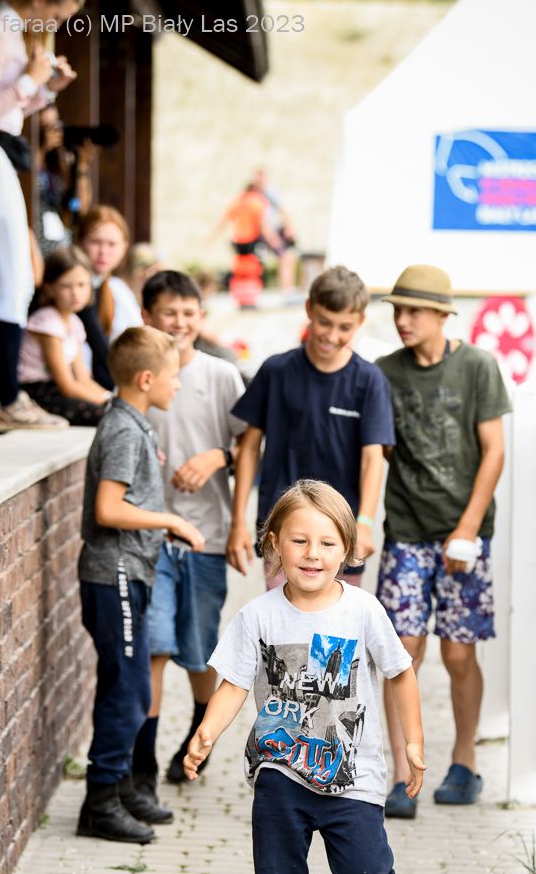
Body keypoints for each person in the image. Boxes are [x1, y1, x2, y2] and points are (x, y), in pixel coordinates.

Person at [183, 480, 425, 874]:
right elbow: (234, 684)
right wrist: (206, 733)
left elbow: (400, 672)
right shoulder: (258, 616)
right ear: (274, 543)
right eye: (299, 541)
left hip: (352, 776)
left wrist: (413, 741)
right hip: (280, 773)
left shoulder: (364, 611)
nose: (313, 554)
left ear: (347, 550)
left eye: (327, 543)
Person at [374, 265, 511, 820]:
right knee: (401, 650)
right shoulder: (384, 373)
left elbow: (495, 450)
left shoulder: (477, 366)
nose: (403, 320)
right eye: (397, 310)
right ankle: (401, 772)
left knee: (459, 652)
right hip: (406, 531)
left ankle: (464, 761)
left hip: (464, 537)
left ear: (440, 315)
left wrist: (468, 526)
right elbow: (379, 450)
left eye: (414, 311)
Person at [76, 326, 205, 844]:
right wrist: (170, 520)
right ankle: (100, 804)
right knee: (128, 692)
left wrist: (159, 526)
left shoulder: (133, 424)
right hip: (115, 574)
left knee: (125, 686)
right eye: (173, 375)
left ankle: (122, 788)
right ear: (147, 379)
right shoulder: (125, 431)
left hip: (127, 572)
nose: (178, 384)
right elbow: (108, 510)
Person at [132, 270, 246, 788]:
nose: (179, 323)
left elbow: (250, 445)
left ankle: (199, 737)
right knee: (154, 646)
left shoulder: (221, 375)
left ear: (201, 316)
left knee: (199, 651)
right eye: (168, 314)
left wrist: (217, 456)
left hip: (205, 536)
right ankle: (143, 763)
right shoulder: (141, 376)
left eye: (188, 313)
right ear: (147, 317)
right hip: (149, 538)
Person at [0, 0, 83, 431]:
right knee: (13, 280)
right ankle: (8, 398)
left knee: (19, 279)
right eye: (57, 17)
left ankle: (6, 393)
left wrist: (46, 89)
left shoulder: (9, 31)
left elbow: (8, 109)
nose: (54, 26)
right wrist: (30, 78)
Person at [227, 265, 395, 589]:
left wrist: (364, 524)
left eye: (344, 327)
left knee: (340, 622)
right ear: (309, 309)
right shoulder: (275, 371)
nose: (331, 335)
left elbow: (372, 460)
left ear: (361, 322)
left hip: (342, 535)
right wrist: (238, 524)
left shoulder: (369, 381)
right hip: (282, 534)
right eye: (324, 322)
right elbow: (248, 449)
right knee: (283, 621)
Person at [18, 246, 111, 425]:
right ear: (50, 289)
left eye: (81, 285)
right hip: (38, 392)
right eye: (66, 286)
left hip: (58, 390)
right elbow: (66, 385)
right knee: (107, 416)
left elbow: (83, 379)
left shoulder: (75, 323)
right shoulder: (48, 322)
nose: (75, 293)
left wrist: (111, 397)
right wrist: (110, 403)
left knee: (116, 412)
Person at [76, 206, 143, 391]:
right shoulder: (70, 289)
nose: (103, 252)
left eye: (112, 244)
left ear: (124, 248)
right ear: (80, 242)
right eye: (96, 242)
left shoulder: (117, 289)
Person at [35, 104, 97, 259]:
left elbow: (81, 207)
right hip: (35, 242)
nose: (54, 132)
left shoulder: (60, 162)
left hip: (60, 244)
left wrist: (82, 166)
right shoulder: (30, 159)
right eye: (46, 127)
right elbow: (26, 181)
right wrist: (41, 148)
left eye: (56, 125)